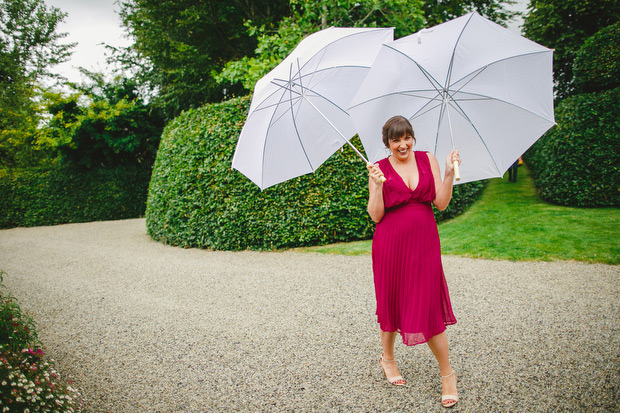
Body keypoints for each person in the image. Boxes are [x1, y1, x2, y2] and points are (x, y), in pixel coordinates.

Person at [366, 116, 460, 408]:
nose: (403, 144)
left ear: (412, 138)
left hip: (424, 244)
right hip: (390, 245)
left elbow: (440, 203)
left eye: (407, 137)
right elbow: (375, 215)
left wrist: (446, 173)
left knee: (429, 305)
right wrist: (379, 187)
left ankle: (448, 375)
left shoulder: (427, 159)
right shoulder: (377, 169)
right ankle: (388, 359)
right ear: (388, 143)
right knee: (391, 302)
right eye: (396, 140)